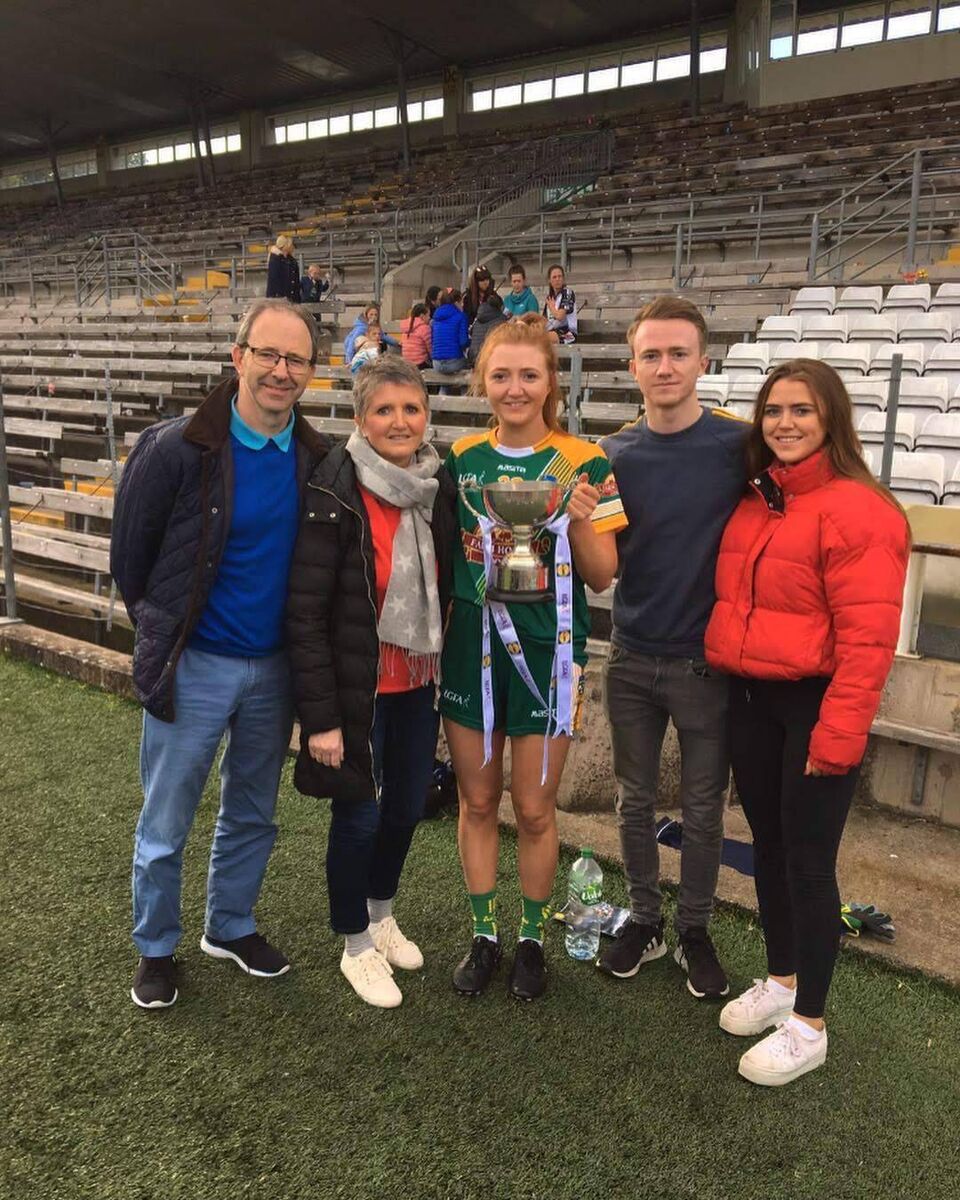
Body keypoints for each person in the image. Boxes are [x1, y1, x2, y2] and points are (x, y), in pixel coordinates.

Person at [110, 299, 329, 1010]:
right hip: (195, 662)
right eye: (267, 353)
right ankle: (155, 947)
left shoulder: (317, 458)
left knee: (253, 811)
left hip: (275, 669)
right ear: (237, 357)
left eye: (295, 359)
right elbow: (131, 561)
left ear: (310, 372)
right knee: (167, 815)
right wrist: (163, 634)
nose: (279, 370)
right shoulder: (175, 446)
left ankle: (229, 926)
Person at [705, 359, 909, 1086]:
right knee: (767, 846)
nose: (784, 423)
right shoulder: (757, 500)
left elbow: (869, 642)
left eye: (801, 410)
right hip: (752, 701)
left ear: (831, 420)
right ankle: (782, 979)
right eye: (773, 410)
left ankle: (810, 1024)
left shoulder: (862, 510)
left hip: (818, 707)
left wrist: (839, 733)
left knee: (809, 863)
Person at [442, 315, 627, 1001]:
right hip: (473, 650)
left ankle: (530, 939)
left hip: (550, 656)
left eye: (528, 374)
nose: (514, 388)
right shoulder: (460, 459)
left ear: (550, 381)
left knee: (537, 808)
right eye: (501, 375)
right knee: (478, 800)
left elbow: (603, 574)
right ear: (481, 382)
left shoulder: (585, 461)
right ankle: (484, 934)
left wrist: (578, 517)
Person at [286, 357, 457, 1007]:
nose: (399, 421)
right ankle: (353, 943)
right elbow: (306, 610)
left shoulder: (436, 486)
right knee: (357, 819)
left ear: (426, 416)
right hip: (357, 687)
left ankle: (380, 912)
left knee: (408, 806)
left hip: (415, 680)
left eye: (411, 408)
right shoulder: (333, 486)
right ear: (360, 419)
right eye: (384, 410)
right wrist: (321, 715)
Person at [596, 296, 747, 1000]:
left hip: (704, 663)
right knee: (632, 800)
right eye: (651, 354)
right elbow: (609, 566)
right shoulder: (612, 455)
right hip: (629, 654)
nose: (664, 366)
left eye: (677, 353)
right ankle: (646, 919)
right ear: (633, 366)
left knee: (702, 807)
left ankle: (694, 930)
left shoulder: (737, 446)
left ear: (702, 362)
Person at [431, 287, 469, 375]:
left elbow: (433, 341)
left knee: (445, 382)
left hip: (436, 363)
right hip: (454, 362)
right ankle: (465, 389)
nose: (463, 304)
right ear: (456, 302)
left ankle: (443, 389)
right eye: (461, 301)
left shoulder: (435, 318)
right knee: (469, 366)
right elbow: (463, 342)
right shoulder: (461, 316)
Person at [466, 290, 507, 364]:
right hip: (486, 358)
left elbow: (471, 332)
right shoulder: (501, 319)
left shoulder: (478, 318)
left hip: (472, 357)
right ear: (500, 307)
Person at [542, 264, 577, 345]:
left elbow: (560, 316)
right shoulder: (550, 297)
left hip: (569, 334)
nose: (557, 279)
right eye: (554, 277)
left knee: (543, 339)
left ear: (563, 278)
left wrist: (552, 308)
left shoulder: (568, 293)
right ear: (549, 280)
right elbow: (544, 320)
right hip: (551, 332)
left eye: (560, 276)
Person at [266, 234, 300, 302]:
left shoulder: (292, 261)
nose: (293, 247)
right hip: (279, 298)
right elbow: (274, 280)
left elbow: (296, 282)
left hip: (291, 298)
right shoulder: (275, 259)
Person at [401, 302, 432, 370]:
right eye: (428, 315)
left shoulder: (406, 326)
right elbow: (430, 349)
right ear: (422, 316)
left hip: (406, 363)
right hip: (420, 363)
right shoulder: (425, 328)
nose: (429, 318)